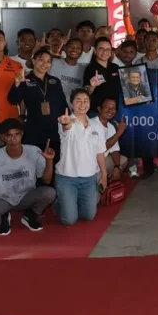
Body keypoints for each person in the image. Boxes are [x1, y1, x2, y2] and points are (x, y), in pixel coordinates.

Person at [0, 118, 56, 235]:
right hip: (2, 199)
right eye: (8, 135)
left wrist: (49, 161)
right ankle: (3, 217)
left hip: (25, 197)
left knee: (50, 193)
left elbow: (47, 180)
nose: (13, 138)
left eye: (17, 134)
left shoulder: (34, 152)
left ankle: (30, 215)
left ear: (21, 135)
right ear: (3, 137)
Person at [56, 89, 107, 225]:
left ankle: (71, 201)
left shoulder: (97, 125)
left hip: (89, 178)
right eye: (78, 101)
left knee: (88, 216)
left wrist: (103, 174)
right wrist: (65, 123)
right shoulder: (67, 121)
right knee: (69, 220)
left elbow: (100, 152)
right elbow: (66, 127)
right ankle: (61, 202)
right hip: (67, 178)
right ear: (71, 104)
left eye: (86, 101)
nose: (82, 104)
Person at [8, 49, 68, 155]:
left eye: (48, 61)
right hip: (34, 130)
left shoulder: (55, 81)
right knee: (34, 161)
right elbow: (13, 100)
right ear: (33, 61)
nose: (45, 64)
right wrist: (16, 84)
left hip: (54, 130)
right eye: (41, 60)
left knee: (54, 160)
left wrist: (67, 122)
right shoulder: (24, 80)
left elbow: (63, 104)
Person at [92, 98, 131, 179]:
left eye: (113, 108)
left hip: (102, 159)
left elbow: (114, 149)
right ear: (99, 109)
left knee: (123, 160)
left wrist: (117, 167)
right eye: (106, 107)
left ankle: (107, 179)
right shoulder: (92, 123)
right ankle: (101, 179)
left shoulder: (111, 126)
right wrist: (120, 132)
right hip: (90, 162)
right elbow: (101, 148)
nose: (110, 110)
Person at [83, 37, 122, 112]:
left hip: (114, 111)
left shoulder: (115, 67)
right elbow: (86, 93)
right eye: (101, 49)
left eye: (108, 49)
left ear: (111, 52)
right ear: (95, 51)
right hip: (97, 111)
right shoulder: (90, 69)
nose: (104, 52)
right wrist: (92, 86)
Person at [51, 37, 87, 102]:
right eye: (71, 47)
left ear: (81, 52)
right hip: (54, 104)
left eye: (78, 48)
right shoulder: (53, 62)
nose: (74, 50)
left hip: (75, 106)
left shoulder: (84, 69)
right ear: (65, 48)